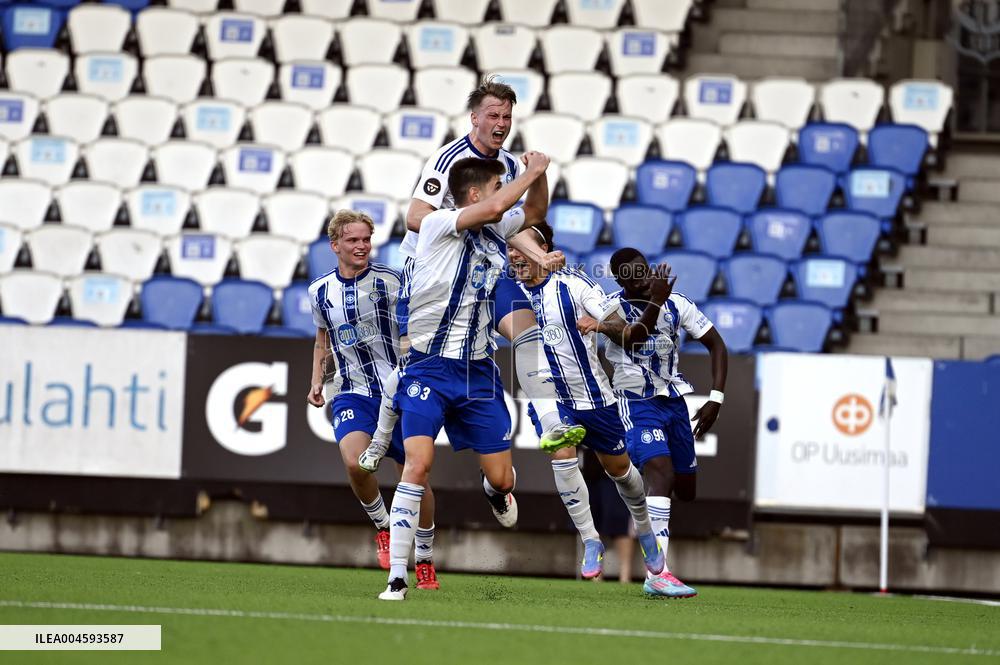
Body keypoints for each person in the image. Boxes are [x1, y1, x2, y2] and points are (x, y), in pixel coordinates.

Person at [359, 76, 584, 505]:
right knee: (414, 362)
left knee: (528, 330)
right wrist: (469, 217)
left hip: (483, 274)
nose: (501, 124)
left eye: (507, 116)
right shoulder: (448, 159)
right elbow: (416, 217)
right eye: (493, 115)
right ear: (474, 118)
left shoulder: (511, 167)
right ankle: (384, 430)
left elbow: (511, 222)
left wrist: (535, 253)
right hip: (435, 280)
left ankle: (551, 420)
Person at [378, 153, 553, 601]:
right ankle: (397, 575)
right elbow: (496, 207)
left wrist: (541, 177)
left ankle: (494, 491)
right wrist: (531, 171)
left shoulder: (495, 227)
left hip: (478, 372)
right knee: (417, 465)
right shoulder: (437, 224)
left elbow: (534, 211)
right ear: (474, 194)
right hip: (429, 367)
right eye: (497, 185)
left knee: (503, 479)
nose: (502, 194)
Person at [506, 222, 668, 587]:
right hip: (550, 397)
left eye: (521, 246)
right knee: (561, 453)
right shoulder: (507, 291)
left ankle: (645, 532)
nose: (514, 254)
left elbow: (622, 329)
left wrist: (600, 324)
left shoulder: (574, 285)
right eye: (510, 247)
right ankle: (591, 540)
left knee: (622, 473)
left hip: (594, 397)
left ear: (543, 249)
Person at [577, 247, 729, 598]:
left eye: (644, 270)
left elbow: (717, 345)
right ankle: (657, 573)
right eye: (633, 276)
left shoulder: (677, 303)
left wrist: (715, 398)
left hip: (673, 401)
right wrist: (656, 302)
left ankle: (648, 513)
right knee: (660, 471)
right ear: (621, 282)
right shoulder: (610, 308)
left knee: (685, 488)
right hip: (634, 400)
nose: (643, 279)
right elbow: (635, 337)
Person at [306, 210, 439, 592]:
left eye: (366, 239)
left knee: (414, 474)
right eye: (353, 240)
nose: (362, 246)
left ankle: (425, 558)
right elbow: (322, 339)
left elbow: (417, 324)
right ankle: (383, 526)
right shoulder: (319, 291)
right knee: (355, 462)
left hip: (398, 391)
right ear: (335, 245)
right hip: (352, 389)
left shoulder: (391, 281)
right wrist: (317, 380)